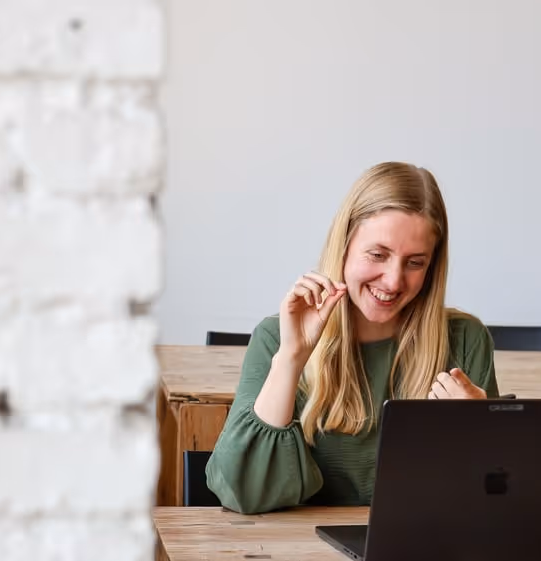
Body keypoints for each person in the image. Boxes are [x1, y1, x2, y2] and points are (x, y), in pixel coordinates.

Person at [205, 161, 500, 514]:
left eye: (415, 263)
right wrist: (292, 358)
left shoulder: (466, 340)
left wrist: (480, 435)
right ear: (343, 244)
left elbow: (496, 501)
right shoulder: (278, 337)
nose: (393, 281)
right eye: (378, 255)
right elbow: (243, 493)